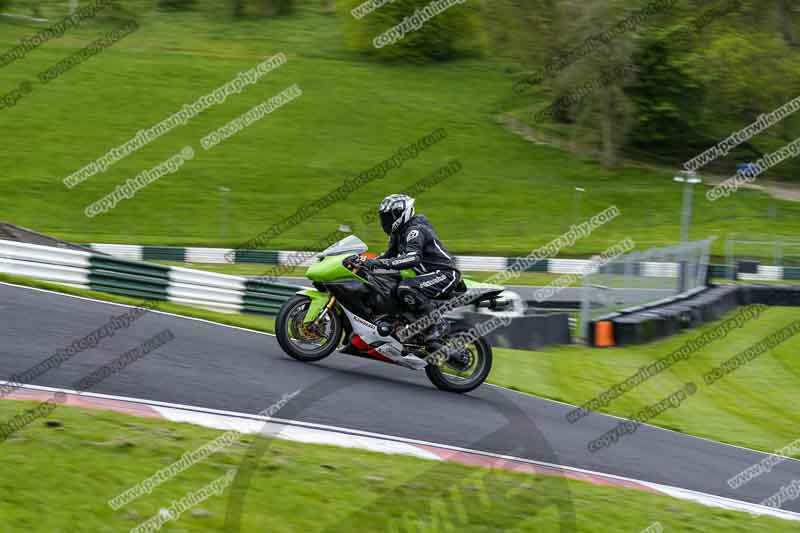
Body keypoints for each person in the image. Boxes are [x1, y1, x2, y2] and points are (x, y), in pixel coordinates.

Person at [364, 194, 461, 346]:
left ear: (403, 213)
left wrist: (384, 264)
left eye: (390, 217)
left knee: (406, 287)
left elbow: (413, 258)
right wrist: (366, 263)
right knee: (389, 284)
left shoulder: (415, 230)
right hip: (427, 274)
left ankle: (437, 324)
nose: (386, 221)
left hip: (445, 273)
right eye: (385, 217)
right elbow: (388, 256)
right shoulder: (399, 233)